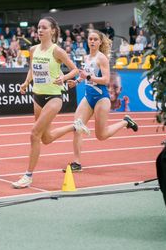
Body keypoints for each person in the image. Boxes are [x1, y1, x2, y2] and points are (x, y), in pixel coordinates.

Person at [44, 30, 139, 172]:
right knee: (77, 127)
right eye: (90, 39)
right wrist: (76, 81)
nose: (92, 41)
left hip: (101, 99)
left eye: (95, 39)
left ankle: (126, 122)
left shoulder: (102, 58)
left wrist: (88, 77)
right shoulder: (86, 57)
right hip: (88, 98)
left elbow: (106, 80)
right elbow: (84, 74)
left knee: (101, 135)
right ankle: (77, 163)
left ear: (100, 42)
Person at [11, 17, 79, 189]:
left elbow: (75, 70)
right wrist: (26, 82)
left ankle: (28, 175)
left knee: (34, 134)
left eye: (44, 28)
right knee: (46, 138)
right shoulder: (33, 49)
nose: (40, 30)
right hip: (37, 97)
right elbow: (32, 69)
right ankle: (74, 127)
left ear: (53, 31)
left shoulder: (57, 51)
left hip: (54, 98)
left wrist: (63, 77)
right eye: (38, 27)